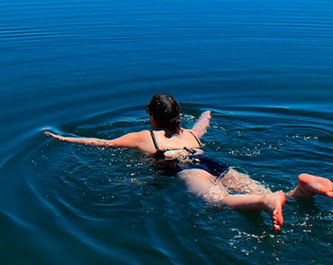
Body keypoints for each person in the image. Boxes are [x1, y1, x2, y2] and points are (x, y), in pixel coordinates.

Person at [45, 93, 333, 230]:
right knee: (253, 188)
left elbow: (102, 143)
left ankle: (269, 202)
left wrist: (64, 139)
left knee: (218, 201)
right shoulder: (191, 135)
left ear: (152, 117)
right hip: (209, 161)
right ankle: (302, 190)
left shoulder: (146, 137)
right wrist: (207, 113)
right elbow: (202, 125)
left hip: (187, 169)